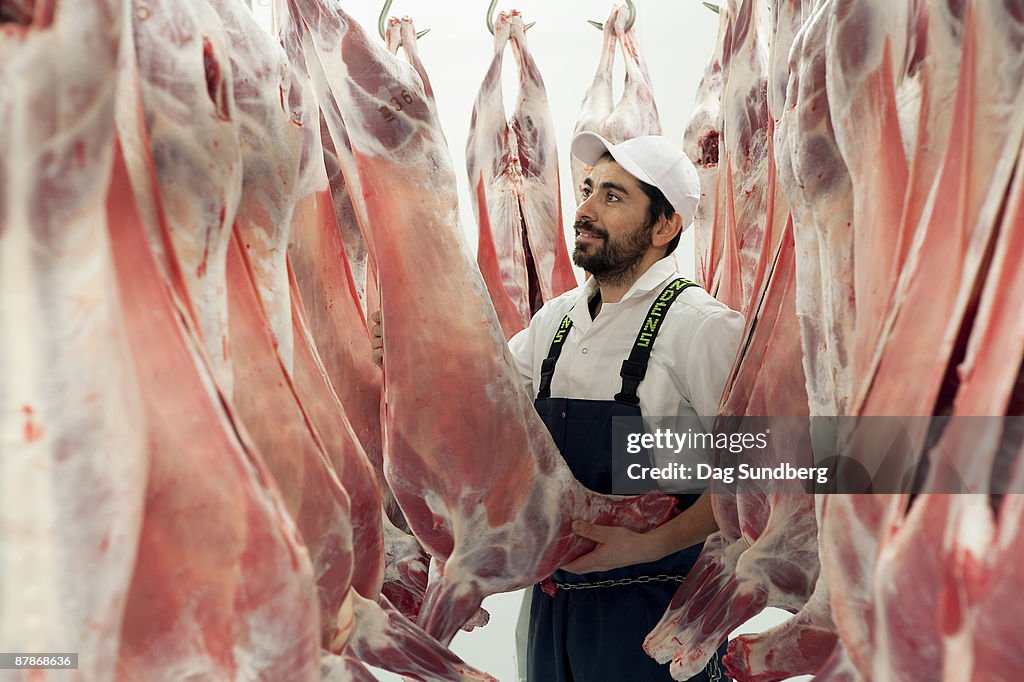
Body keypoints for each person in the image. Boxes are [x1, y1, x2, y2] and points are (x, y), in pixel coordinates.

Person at [372, 132, 743, 681]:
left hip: (656, 618)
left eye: (613, 197)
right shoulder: (557, 321)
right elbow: (480, 410)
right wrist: (411, 357)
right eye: (588, 190)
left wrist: (645, 544)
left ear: (664, 227)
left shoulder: (702, 327)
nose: (585, 210)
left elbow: (765, 469)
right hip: (552, 613)